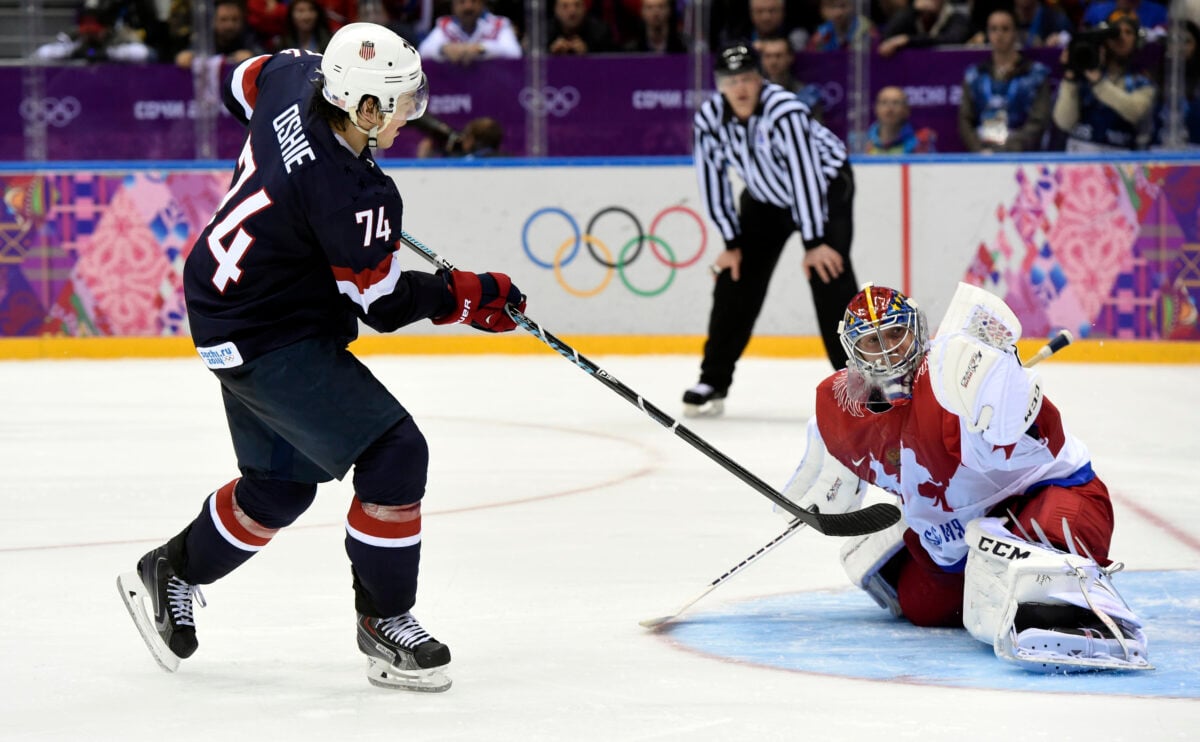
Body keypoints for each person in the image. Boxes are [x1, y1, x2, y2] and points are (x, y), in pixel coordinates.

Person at [117, 22, 527, 693]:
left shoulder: (296, 76)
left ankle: (172, 569)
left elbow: (235, 87)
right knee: (396, 453)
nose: (408, 115)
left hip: (226, 304)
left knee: (280, 487)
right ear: (364, 108)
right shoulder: (351, 192)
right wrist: (466, 294)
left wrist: (291, 175)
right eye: (397, 103)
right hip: (270, 329)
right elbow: (384, 304)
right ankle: (385, 624)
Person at [780, 282, 1149, 672]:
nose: (887, 350)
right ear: (852, 350)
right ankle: (911, 549)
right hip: (958, 533)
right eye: (872, 341)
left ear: (916, 330)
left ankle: (1088, 612)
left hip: (1044, 494)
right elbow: (852, 462)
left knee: (1036, 572)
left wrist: (1007, 392)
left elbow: (1039, 440)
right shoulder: (840, 406)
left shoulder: (954, 369)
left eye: (894, 333)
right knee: (923, 607)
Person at [683, 41, 858, 417]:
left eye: (747, 78)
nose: (741, 88)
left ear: (760, 79)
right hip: (765, 198)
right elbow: (711, 180)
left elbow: (805, 176)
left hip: (825, 188)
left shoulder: (785, 111)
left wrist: (815, 241)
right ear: (719, 85)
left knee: (829, 272)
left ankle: (856, 379)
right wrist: (731, 241)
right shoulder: (709, 119)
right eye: (731, 81)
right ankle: (712, 378)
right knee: (736, 275)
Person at [1052, 14, 1157, 151]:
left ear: (1137, 41)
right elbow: (1064, 123)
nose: (1121, 37)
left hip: (1120, 162)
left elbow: (1135, 111)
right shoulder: (1083, 77)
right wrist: (1070, 77)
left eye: (1128, 32)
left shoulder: (1142, 83)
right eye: (1115, 32)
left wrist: (1099, 83)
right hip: (1078, 159)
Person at [958, 9, 1052, 153]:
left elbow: (1039, 121)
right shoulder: (975, 75)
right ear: (987, 34)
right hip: (984, 153)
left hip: (1022, 156)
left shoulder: (1035, 74)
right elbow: (965, 119)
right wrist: (979, 149)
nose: (999, 35)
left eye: (1005, 29)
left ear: (1015, 32)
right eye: (994, 29)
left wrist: (1007, 149)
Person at [34, 0, 153, 63]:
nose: (90, 35)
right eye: (87, 31)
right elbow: (41, 53)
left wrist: (109, 54)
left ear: (106, 28)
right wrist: (74, 50)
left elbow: (144, 53)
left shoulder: (119, 34)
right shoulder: (74, 35)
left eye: (95, 32)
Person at [418, 0, 522, 63]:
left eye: (473, 1)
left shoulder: (499, 24)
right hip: (456, 93)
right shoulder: (445, 25)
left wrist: (481, 49)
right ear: (453, 5)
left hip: (493, 89)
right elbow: (423, 51)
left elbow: (515, 53)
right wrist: (444, 49)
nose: (468, 7)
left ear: (482, 3)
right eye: (462, 2)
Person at [174, 0, 261, 68]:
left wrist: (253, 57)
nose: (229, 25)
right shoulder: (206, 38)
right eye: (223, 19)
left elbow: (262, 56)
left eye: (235, 19)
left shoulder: (248, 36)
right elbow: (190, 52)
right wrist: (186, 56)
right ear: (213, 21)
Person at [757, 36, 824, 118]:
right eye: (768, 56)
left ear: (790, 57)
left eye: (778, 56)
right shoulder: (755, 94)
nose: (773, 62)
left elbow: (817, 128)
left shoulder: (807, 94)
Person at [878, 0, 971, 57]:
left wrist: (908, 40)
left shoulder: (956, 17)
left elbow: (952, 39)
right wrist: (912, 10)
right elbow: (887, 35)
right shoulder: (912, 16)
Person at [860, 85, 938, 153]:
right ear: (875, 108)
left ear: (906, 110)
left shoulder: (920, 144)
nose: (889, 109)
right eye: (884, 102)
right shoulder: (860, 144)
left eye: (896, 103)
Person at [548, 0, 616, 54]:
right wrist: (550, 54)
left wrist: (588, 54)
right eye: (565, 6)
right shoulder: (544, 32)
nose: (572, 12)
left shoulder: (601, 31)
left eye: (577, 5)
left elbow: (612, 63)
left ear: (585, 8)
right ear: (555, 10)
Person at [806, 0, 875, 52]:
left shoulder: (864, 26)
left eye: (843, 6)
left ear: (852, 6)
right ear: (822, 10)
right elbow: (810, 54)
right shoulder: (822, 32)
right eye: (831, 7)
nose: (838, 12)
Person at [624, 0, 689, 53]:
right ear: (642, 12)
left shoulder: (684, 46)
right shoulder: (631, 50)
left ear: (669, 10)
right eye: (650, 7)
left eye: (661, 7)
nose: (656, 13)